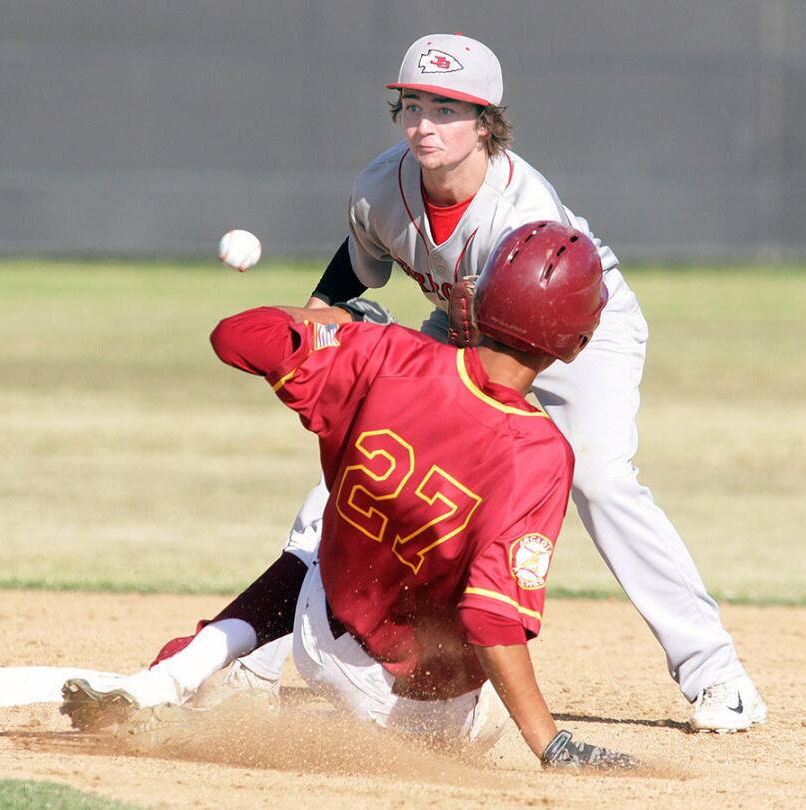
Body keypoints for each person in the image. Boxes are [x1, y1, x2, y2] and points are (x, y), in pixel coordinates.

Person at [179, 31, 765, 732]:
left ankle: (717, 675)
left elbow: (518, 335)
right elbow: (354, 271)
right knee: (365, 464)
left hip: (576, 321)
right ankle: (254, 657)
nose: (426, 124)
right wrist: (324, 320)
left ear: (487, 122)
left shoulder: (520, 212)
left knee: (600, 479)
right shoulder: (380, 186)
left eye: (449, 109)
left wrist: (390, 367)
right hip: (471, 326)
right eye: (414, 105)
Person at [64, 222, 638, 770]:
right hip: (429, 712)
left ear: (478, 298)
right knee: (474, 693)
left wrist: (336, 322)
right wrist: (551, 744)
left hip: (325, 637)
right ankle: (216, 705)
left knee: (326, 513)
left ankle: (182, 674)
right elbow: (490, 618)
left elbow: (236, 336)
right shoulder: (539, 453)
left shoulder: (386, 354)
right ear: (576, 342)